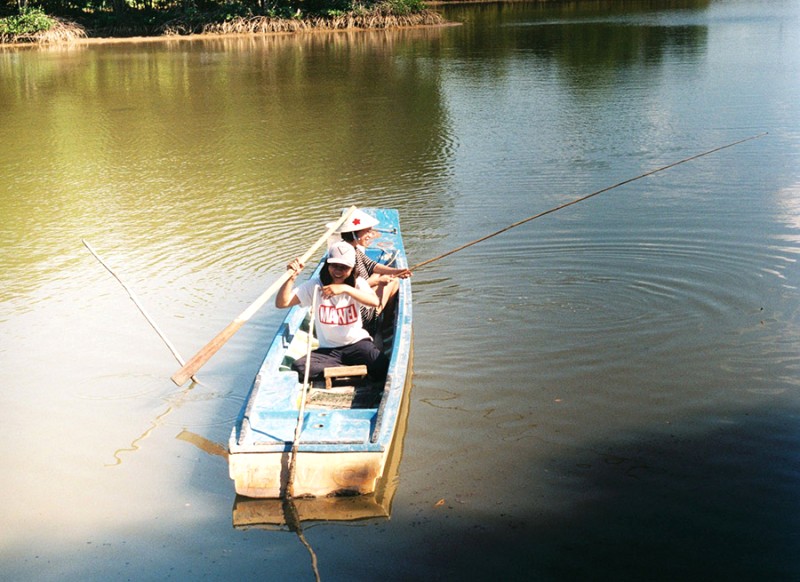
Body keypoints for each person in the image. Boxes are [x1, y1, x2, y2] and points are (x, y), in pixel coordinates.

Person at [275, 240, 389, 381]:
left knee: (382, 365)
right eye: (334, 266)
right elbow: (282, 303)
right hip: (328, 350)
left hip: (356, 344)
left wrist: (345, 289)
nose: (338, 271)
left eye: (344, 268)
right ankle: (348, 370)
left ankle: (342, 370)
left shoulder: (357, 283)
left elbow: (374, 302)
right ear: (327, 265)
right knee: (300, 367)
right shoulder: (315, 286)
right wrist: (291, 279)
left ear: (352, 269)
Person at [333, 209, 411, 333]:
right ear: (354, 234)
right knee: (394, 282)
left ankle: (380, 319)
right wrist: (378, 282)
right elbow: (347, 289)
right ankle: (380, 324)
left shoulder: (350, 248)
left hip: (356, 300)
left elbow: (372, 266)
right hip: (359, 312)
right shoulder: (347, 257)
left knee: (386, 275)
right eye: (367, 232)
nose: (370, 235)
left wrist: (396, 271)